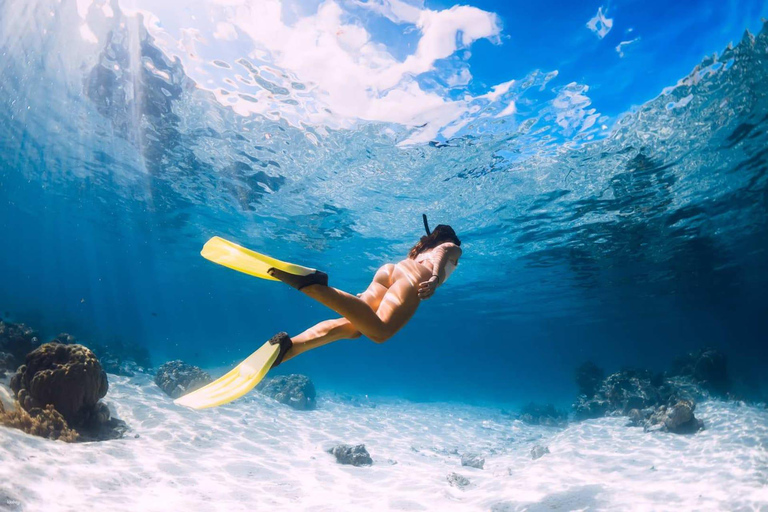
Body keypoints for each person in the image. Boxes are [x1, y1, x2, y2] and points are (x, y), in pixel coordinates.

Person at [266, 217, 462, 366]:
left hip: (391, 271)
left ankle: (289, 348)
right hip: (415, 276)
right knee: (380, 332)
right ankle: (313, 286)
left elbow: (418, 262)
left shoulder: (421, 249)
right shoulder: (452, 247)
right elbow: (443, 251)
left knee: (354, 328)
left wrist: (360, 303)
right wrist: (435, 279)